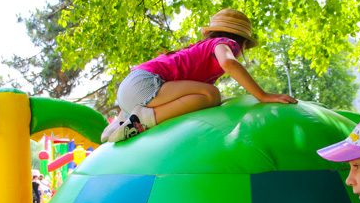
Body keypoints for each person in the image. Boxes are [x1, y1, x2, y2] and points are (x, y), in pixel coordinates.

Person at [103, 9, 297, 143]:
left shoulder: (201, 48)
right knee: (211, 94)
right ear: (243, 42)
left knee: (207, 94)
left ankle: (122, 120)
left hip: (131, 87)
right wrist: (262, 95)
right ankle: (142, 120)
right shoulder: (225, 43)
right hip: (145, 85)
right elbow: (228, 62)